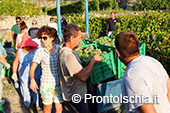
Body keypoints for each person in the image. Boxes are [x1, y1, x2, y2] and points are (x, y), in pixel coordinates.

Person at [115, 31, 170, 113]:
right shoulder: (153, 61)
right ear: (138, 47)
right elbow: (168, 87)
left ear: (118, 53)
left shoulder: (132, 76)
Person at [58, 24, 104, 113]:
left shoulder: (63, 48)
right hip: (75, 97)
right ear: (71, 38)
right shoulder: (68, 56)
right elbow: (82, 77)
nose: (80, 40)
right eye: (79, 38)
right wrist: (93, 61)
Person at [29, 26, 63, 113]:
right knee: (47, 109)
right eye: (41, 38)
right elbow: (32, 68)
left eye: (45, 38)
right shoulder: (40, 51)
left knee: (59, 109)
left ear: (52, 38)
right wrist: (32, 80)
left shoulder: (59, 48)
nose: (42, 40)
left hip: (59, 83)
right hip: (47, 84)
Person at [12, 35, 41, 110]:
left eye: (28, 45)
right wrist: (14, 73)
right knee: (25, 89)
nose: (27, 47)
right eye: (25, 46)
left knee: (35, 89)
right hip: (23, 75)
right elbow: (15, 63)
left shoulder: (37, 50)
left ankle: (36, 103)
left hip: (35, 74)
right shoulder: (19, 51)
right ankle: (27, 103)